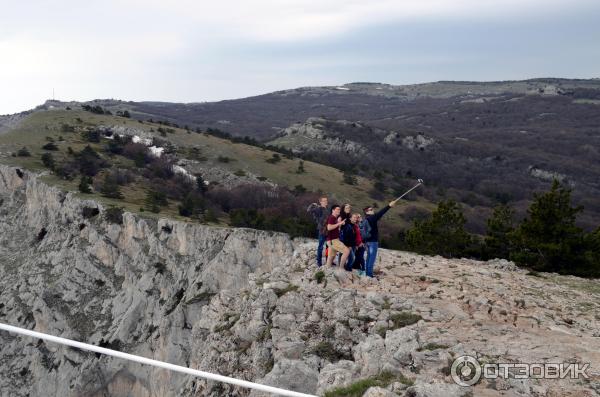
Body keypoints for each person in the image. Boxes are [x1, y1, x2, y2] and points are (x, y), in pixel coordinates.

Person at [363, 199, 400, 278]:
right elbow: (381, 213)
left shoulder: (366, 219)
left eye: (372, 209)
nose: (373, 210)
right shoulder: (372, 218)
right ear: (367, 212)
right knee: (371, 259)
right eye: (371, 210)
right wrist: (389, 206)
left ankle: (367, 273)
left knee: (368, 258)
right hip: (373, 242)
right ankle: (369, 275)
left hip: (368, 242)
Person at [307, 196, 329, 267]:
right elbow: (309, 210)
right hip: (322, 230)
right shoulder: (318, 209)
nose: (326, 202)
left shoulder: (327, 209)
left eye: (326, 200)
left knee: (328, 246)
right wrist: (313, 204)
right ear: (321, 202)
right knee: (320, 246)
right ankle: (319, 262)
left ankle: (328, 260)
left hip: (328, 230)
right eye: (324, 201)